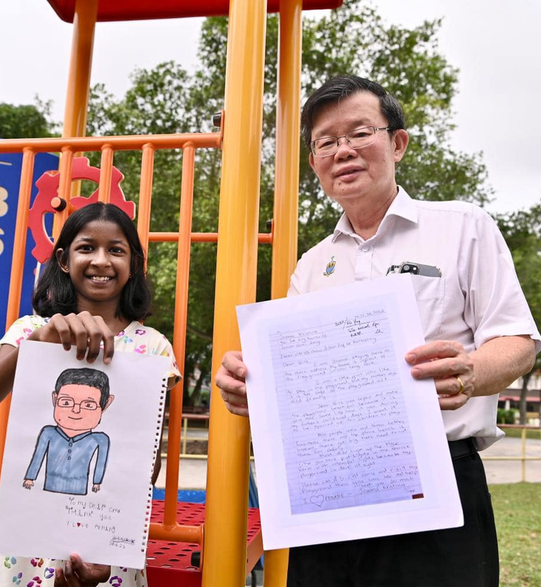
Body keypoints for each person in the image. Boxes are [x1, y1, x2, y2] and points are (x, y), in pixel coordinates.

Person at [216, 75, 540, 587]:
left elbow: (519, 343)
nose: (342, 150)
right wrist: (249, 383)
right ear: (315, 162)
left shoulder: (463, 227)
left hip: (438, 483)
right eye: (325, 141)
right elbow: (296, 382)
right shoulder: (311, 265)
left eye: (360, 132)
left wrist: (470, 372)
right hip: (327, 494)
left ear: (398, 142)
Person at [0, 202, 181, 587]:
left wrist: (104, 550)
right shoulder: (31, 329)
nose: (101, 260)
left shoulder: (153, 348)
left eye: (116, 250)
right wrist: (40, 344)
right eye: (86, 248)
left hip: (106, 548)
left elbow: (148, 468)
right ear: (63, 260)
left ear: (133, 264)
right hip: (25, 551)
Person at [24, 368, 114, 496]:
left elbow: (101, 463)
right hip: (48, 492)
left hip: (79, 495)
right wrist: (30, 478)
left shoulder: (100, 439)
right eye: (66, 402)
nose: (75, 410)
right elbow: (38, 456)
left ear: (105, 405)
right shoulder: (48, 433)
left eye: (88, 405)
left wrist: (97, 482)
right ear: (55, 400)